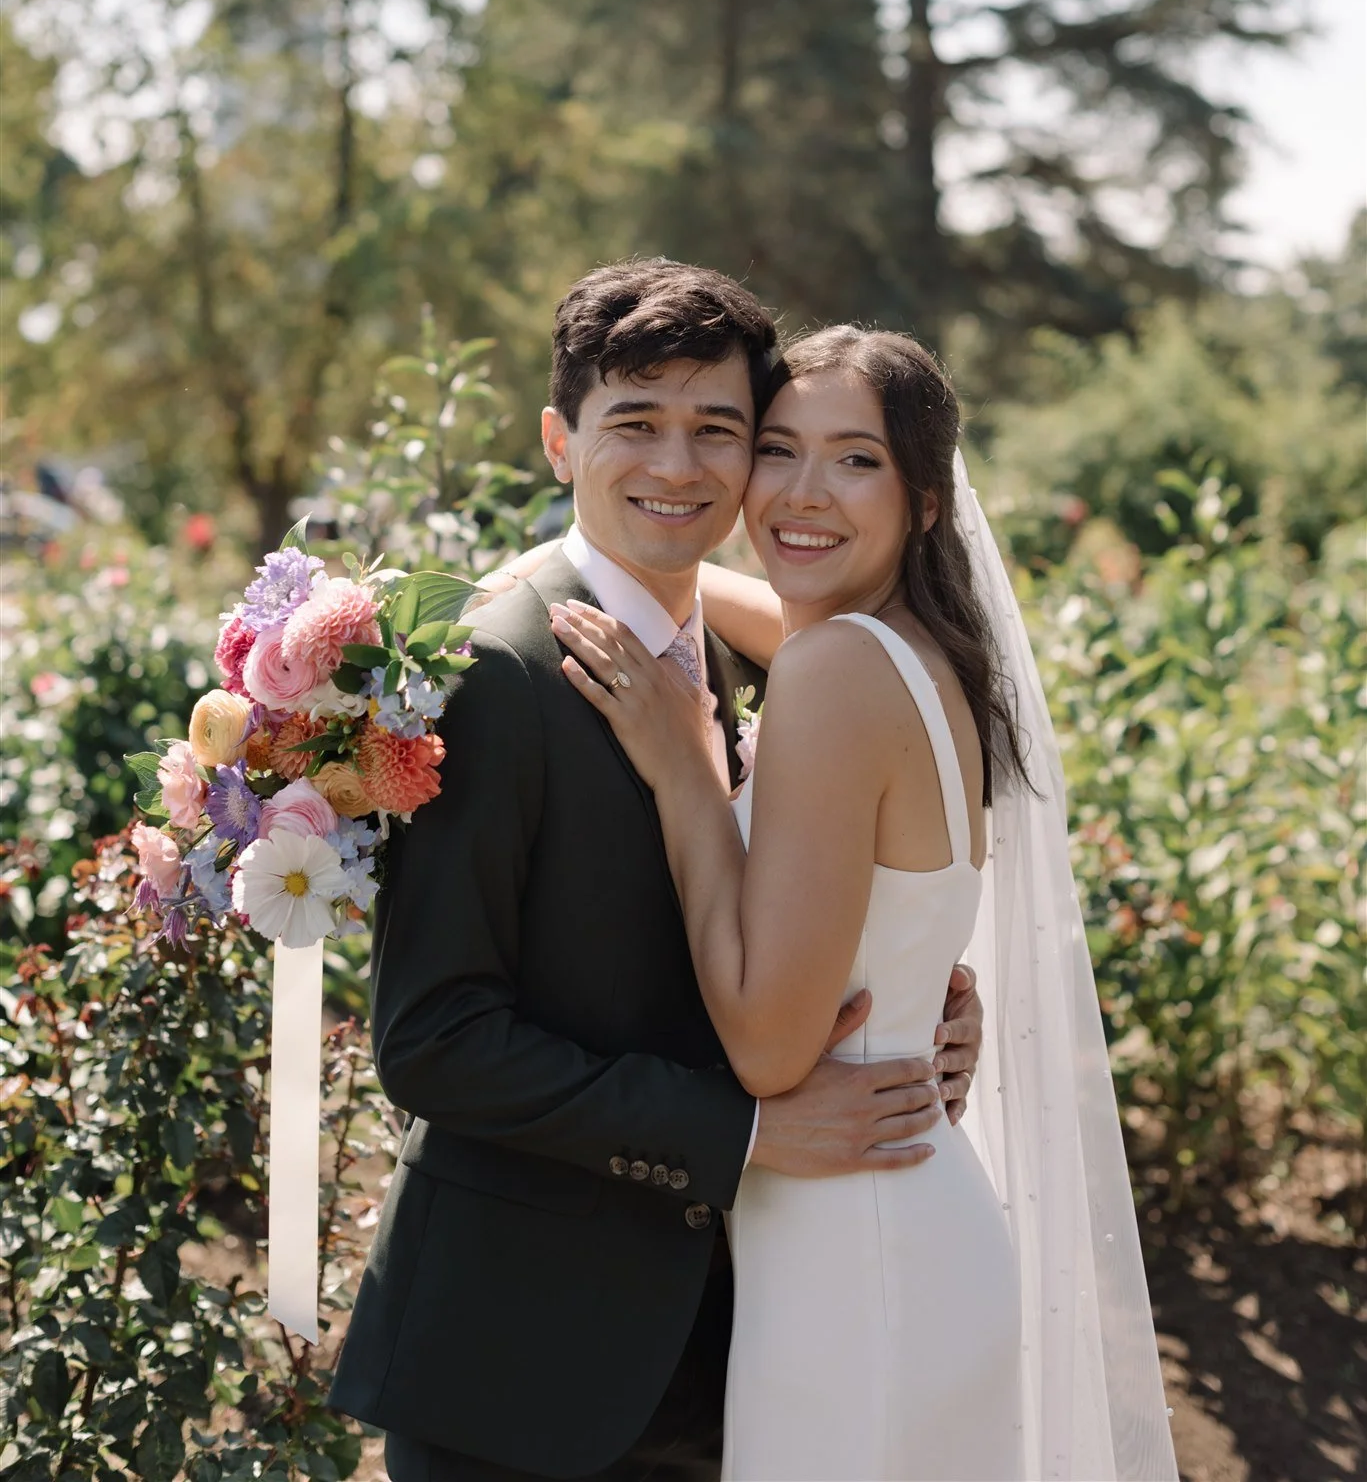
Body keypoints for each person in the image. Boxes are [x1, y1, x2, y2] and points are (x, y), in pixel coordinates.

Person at [329, 266, 985, 1482]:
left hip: (740, 1343)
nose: (677, 466)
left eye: (719, 431)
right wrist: (743, 1130)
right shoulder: (497, 673)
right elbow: (435, 1038)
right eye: (635, 422)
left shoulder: (762, 652)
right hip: (519, 1361)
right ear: (559, 441)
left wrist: (914, 992)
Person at [549, 326, 1178, 1482]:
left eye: (854, 459)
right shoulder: (915, 651)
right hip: (900, 1220)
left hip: (856, 1259)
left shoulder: (834, 671)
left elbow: (766, 1045)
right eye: (776, 448)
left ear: (924, 499)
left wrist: (686, 773)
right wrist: (564, 565)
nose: (800, 490)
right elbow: (745, 600)